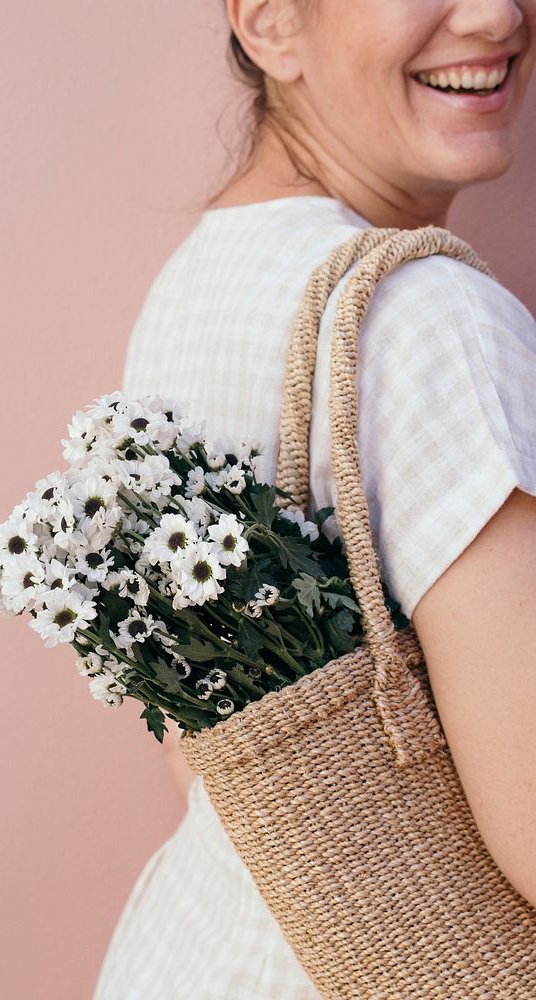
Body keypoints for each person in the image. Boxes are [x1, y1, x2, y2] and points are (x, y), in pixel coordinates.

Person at [94, 1, 536, 996]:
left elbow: (205, 747)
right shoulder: (431, 318)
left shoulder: (200, 284)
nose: (498, 14)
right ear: (267, 22)